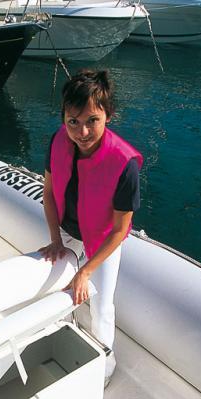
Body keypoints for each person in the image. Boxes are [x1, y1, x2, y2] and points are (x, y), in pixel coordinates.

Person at [39, 69, 142, 370]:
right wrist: (56, 241)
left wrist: (86, 271)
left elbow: (121, 229)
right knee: (56, 291)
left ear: (108, 115)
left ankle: (104, 368)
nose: (82, 133)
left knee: (101, 306)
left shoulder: (124, 165)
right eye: (73, 122)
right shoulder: (58, 141)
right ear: (64, 119)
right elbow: (48, 194)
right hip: (66, 231)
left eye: (92, 121)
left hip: (103, 240)